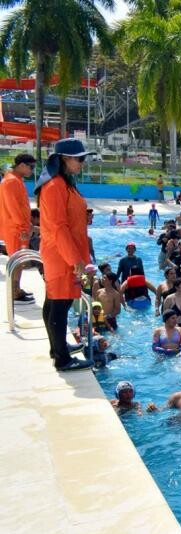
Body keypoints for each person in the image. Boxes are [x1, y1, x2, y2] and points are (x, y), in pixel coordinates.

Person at [35, 139, 95, 371]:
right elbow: (59, 227)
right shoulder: (55, 187)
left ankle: (57, 347)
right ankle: (62, 358)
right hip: (61, 255)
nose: (82, 162)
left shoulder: (63, 183)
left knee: (55, 302)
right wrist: (75, 260)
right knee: (60, 304)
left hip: (62, 253)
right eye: (79, 158)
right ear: (64, 159)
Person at [0, 153, 36, 303]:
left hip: (19, 227)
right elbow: (13, 208)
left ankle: (17, 289)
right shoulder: (10, 182)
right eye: (31, 167)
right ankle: (14, 292)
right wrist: (22, 229)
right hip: (15, 229)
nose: (32, 171)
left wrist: (27, 225)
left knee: (20, 261)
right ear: (22, 165)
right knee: (16, 261)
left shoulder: (16, 180)